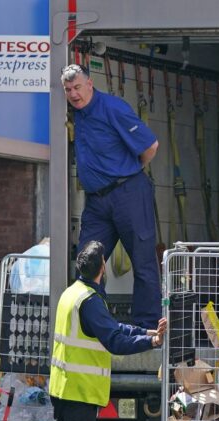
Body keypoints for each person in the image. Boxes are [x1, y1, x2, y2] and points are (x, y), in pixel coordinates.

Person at [42, 240, 167, 421]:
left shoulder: (72, 293)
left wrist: (145, 331)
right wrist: (152, 341)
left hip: (61, 388)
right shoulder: (90, 301)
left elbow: (113, 327)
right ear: (102, 268)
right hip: (81, 393)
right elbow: (115, 341)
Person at [61, 63, 161, 329]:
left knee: (143, 262)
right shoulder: (73, 113)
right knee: (87, 262)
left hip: (128, 192)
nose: (73, 94)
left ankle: (146, 328)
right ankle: (94, 323)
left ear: (90, 84)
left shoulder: (112, 108)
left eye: (78, 87)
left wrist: (132, 172)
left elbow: (150, 145)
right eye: (68, 89)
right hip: (96, 200)